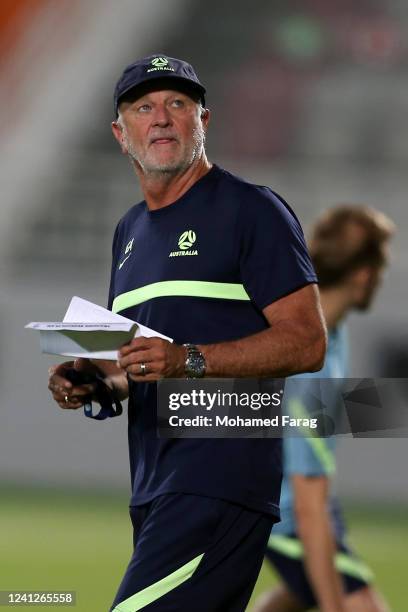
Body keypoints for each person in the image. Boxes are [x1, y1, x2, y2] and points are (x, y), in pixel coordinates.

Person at [48, 54, 326, 612]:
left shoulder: (252, 210)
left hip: (217, 480)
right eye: (143, 106)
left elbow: (307, 342)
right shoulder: (128, 230)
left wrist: (188, 360)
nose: (162, 118)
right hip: (154, 485)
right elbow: (131, 362)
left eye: (178, 104)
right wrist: (90, 380)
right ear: (119, 132)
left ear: (204, 121)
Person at [254, 205, 394, 612]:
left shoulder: (327, 325)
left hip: (305, 508)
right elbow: (308, 505)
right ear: (364, 275)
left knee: (301, 595)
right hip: (286, 518)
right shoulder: (309, 370)